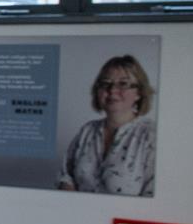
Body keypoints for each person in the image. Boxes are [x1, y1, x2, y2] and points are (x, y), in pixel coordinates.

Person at [58, 55, 156, 196]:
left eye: (123, 84)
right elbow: (65, 174)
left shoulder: (151, 136)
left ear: (139, 93)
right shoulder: (87, 131)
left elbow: (152, 197)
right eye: (105, 83)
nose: (112, 90)